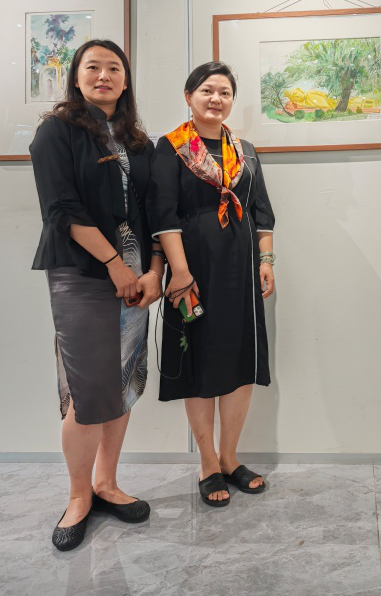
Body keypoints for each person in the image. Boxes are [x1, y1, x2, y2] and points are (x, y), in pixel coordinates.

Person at [30, 40, 164, 551]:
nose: (104, 75)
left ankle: (107, 483)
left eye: (114, 68)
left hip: (137, 277)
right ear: (76, 76)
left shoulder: (139, 142)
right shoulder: (56, 131)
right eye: (93, 67)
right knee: (86, 392)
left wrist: (153, 270)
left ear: (125, 81)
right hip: (83, 271)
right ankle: (78, 496)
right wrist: (114, 265)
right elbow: (60, 208)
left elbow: (155, 213)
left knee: (122, 383)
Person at [150, 61, 275, 507]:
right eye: (207, 90)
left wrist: (266, 259)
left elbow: (261, 209)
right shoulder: (170, 147)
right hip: (194, 267)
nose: (216, 99)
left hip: (241, 269)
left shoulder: (245, 150)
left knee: (241, 359)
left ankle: (229, 457)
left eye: (224, 92)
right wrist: (180, 273)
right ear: (189, 96)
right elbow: (162, 213)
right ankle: (206, 463)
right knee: (200, 362)